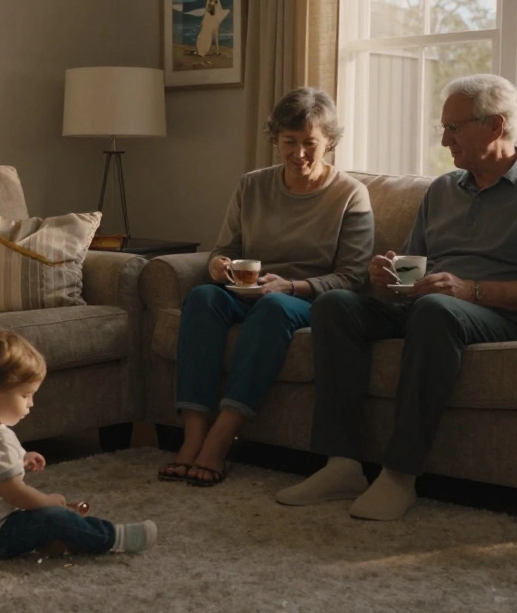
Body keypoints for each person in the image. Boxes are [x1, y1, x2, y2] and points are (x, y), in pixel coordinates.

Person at [276, 73, 517, 521]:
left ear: (495, 126)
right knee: (336, 305)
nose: (444, 141)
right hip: (432, 307)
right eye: (444, 129)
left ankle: (400, 474)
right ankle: (341, 463)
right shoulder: (443, 189)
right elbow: (414, 269)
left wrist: (470, 290)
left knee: (437, 308)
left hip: (506, 315)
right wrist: (388, 277)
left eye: (453, 128)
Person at [160, 88, 373, 487]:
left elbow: (354, 276)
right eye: (289, 143)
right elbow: (224, 250)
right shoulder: (251, 186)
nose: (299, 154)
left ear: (330, 142)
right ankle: (191, 436)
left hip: (308, 298)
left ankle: (220, 440)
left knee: (273, 309)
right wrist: (218, 265)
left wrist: (292, 286)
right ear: (275, 139)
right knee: (203, 297)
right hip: (248, 291)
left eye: (310, 143)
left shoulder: (350, 194)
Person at [0, 331, 157, 559]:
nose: (31, 403)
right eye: (26, 395)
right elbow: (16, 495)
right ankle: (112, 538)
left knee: (42, 519)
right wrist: (48, 503)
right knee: (53, 519)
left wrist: (21, 455)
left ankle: (59, 542)